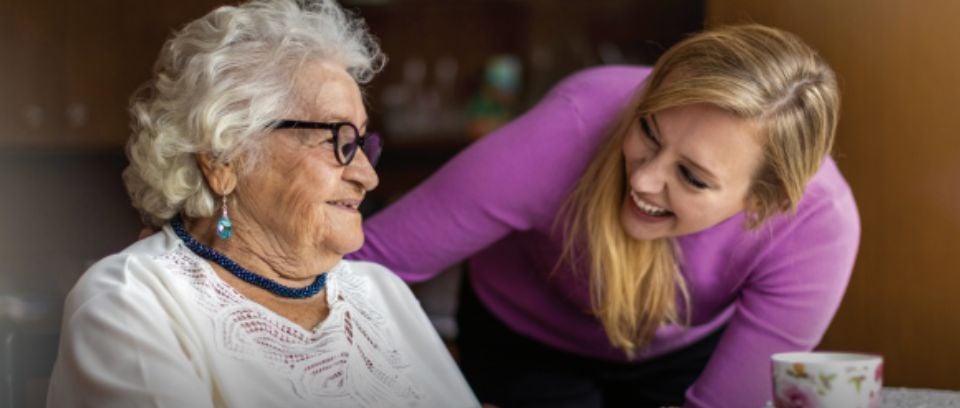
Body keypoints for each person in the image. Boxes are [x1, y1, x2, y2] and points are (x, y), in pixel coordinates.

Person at [352, 24, 859, 407]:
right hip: (523, 341)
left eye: (692, 177)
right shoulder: (572, 125)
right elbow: (363, 264)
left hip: (682, 355)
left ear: (762, 204)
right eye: (648, 133)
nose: (642, 180)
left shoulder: (817, 228)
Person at [46, 1, 479, 407]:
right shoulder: (133, 303)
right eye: (337, 140)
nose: (367, 175)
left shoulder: (379, 292)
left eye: (362, 142)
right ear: (222, 160)